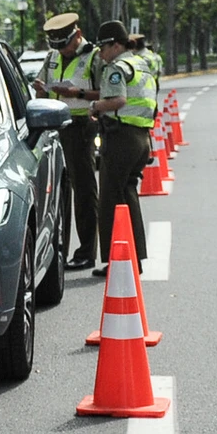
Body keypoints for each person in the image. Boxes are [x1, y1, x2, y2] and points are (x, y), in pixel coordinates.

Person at [87, 20, 157, 277]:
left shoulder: (116, 67)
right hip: (141, 138)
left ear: (116, 45)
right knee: (127, 196)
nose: (100, 53)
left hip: (121, 137)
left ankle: (117, 261)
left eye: (103, 48)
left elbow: (118, 100)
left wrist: (95, 107)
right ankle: (134, 259)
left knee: (110, 201)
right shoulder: (141, 64)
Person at [31, 12, 98, 270]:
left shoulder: (93, 57)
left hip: (80, 127)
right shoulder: (52, 57)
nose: (62, 51)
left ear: (77, 35)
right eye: (57, 45)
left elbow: (108, 93)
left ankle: (86, 252)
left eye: (65, 45)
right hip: (53, 127)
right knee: (58, 192)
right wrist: (40, 88)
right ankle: (59, 250)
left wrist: (76, 93)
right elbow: (42, 86)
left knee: (83, 191)